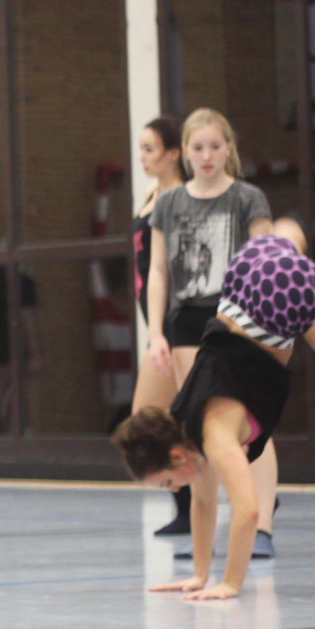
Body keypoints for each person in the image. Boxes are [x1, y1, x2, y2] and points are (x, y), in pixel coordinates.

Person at [113, 218, 315, 599]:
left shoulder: (214, 434)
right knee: (285, 239)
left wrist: (229, 583)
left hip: (281, 289)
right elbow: (204, 504)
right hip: (247, 270)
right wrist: (199, 575)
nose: (176, 489)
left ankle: (288, 237)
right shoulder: (185, 423)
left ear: (176, 457)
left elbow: (248, 511)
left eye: (169, 482)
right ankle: (286, 230)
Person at [145, 107, 275, 556]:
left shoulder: (247, 197)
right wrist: (156, 333)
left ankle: (261, 527)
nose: (206, 156)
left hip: (237, 318)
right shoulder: (168, 204)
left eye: (215, 147)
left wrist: (262, 323)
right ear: (185, 151)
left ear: (228, 149)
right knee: (200, 426)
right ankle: (208, 533)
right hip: (186, 320)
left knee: (249, 422)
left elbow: (267, 261)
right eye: (198, 147)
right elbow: (158, 271)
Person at [131, 116, 191, 535]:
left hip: (175, 325)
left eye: (150, 149)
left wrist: (164, 332)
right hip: (158, 326)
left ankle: (192, 507)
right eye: (141, 149)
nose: (142, 157)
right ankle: (185, 510)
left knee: (151, 420)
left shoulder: (181, 199)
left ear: (173, 153)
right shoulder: (152, 194)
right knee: (164, 420)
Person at [0, 264, 43, 434]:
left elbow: (28, 320)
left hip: (17, 345)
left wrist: (35, 354)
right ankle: (3, 436)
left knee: (15, 400)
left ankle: (20, 434)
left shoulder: (24, 283)